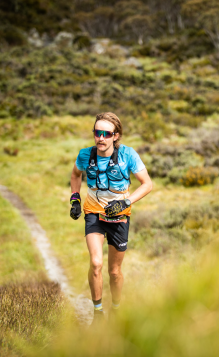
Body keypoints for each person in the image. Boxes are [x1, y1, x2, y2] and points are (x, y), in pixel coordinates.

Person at [69, 112, 152, 324]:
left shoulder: (128, 155)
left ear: (116, 136)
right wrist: (75, 199)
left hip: (119, 216)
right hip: (94, 213)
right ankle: (98, 312)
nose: (101, 138)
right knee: (96, 263)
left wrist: (125, 202)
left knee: (114, 272)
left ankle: (116, 307)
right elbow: (76, 174)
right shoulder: (85, 155)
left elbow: (147, 184)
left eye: (107, 134)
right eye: (98, 133)